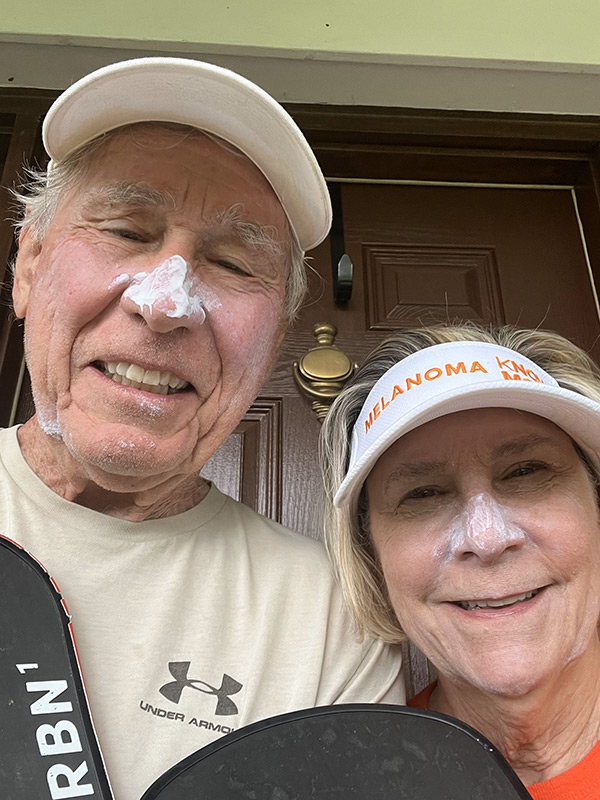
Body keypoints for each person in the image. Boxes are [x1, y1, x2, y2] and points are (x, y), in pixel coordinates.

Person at [4, 57, 404, 799]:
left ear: (274, 342)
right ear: (27, 263)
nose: (166, 301)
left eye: (230, 262)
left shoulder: (323, 624)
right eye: (126, 229)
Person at [321, 323, 600, 799]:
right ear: (372, 558)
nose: (487, 538)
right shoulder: (356, 785)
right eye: (422, 493)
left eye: (527, 471)